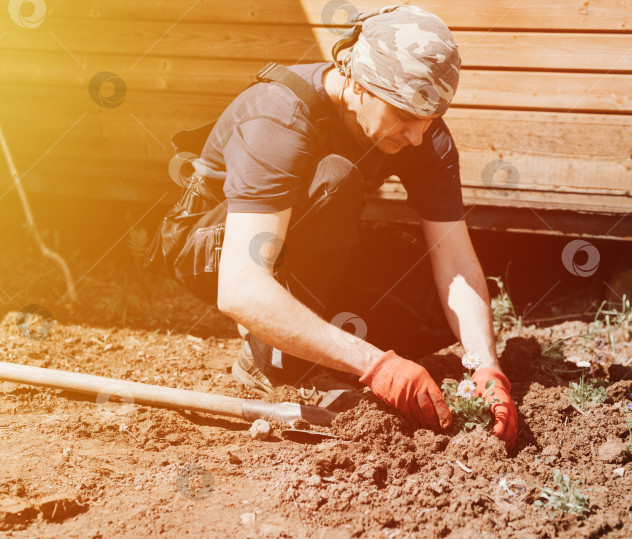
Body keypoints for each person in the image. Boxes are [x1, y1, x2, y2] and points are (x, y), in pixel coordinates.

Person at [195, 5, 517, 448]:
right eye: (404, 114)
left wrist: (483, 366)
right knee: (337, 179)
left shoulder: (421, 129)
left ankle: (317, 341)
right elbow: (240, 285)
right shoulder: (280, 118)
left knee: (438, 305)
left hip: (305, 244)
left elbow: (456, 262)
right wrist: (377, 365)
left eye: (430, 118)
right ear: (358, 83)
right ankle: (275, 360)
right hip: (217, 249)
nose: (418, 136)